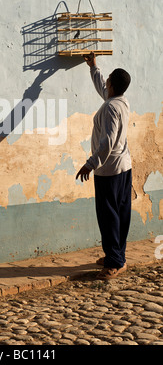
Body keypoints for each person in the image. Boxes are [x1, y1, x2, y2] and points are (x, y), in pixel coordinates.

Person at [76, 52, 132, 280]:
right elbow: (104, 91)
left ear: (112, 84)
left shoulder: (110, 108)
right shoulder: (120, 101)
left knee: (109, 216)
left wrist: (90, 164)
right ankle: (116, 256)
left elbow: (106, 143)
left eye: (107, 78)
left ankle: (115, 262)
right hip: (123, 167)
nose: (105, 81)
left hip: (109, 170)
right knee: (120, 214)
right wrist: (93, 67)